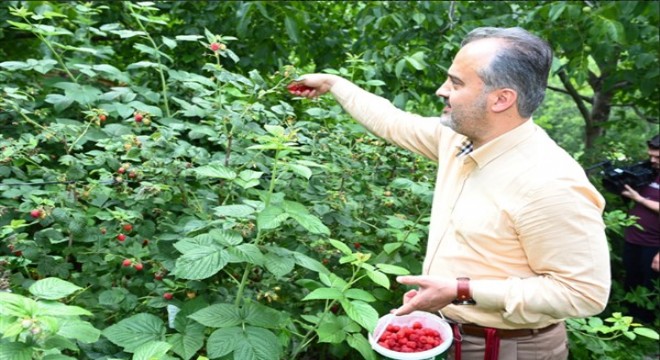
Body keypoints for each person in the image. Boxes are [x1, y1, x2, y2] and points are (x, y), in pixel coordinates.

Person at [290, 27, 611, 360]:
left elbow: (583, 294)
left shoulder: (550, 183)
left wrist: (461, 291)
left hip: (509, 348)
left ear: (501, 99)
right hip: (448, 334)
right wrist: (334, 84)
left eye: (457, 83)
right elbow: (392, 122)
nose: (442, 90)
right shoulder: (459, 139)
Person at [620, 134, 660, 324]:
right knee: (631, 281)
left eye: (658, 157)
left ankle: (647, 327)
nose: (653, 160)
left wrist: (639, 199)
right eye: (651, 156)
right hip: (633, 239)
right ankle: (628, 324)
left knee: (649, 288)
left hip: (654, 245)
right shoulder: (647, 171)